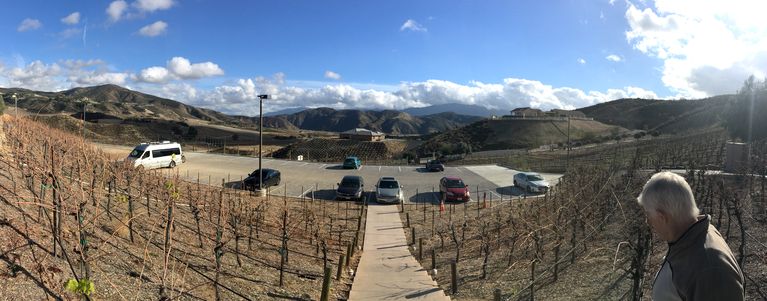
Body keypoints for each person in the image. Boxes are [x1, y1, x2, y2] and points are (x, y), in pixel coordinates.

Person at [637, 171, 744, 301]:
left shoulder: (709, 269)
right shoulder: (689, 238)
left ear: (662, 217)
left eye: (648, 214)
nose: (648, 221)